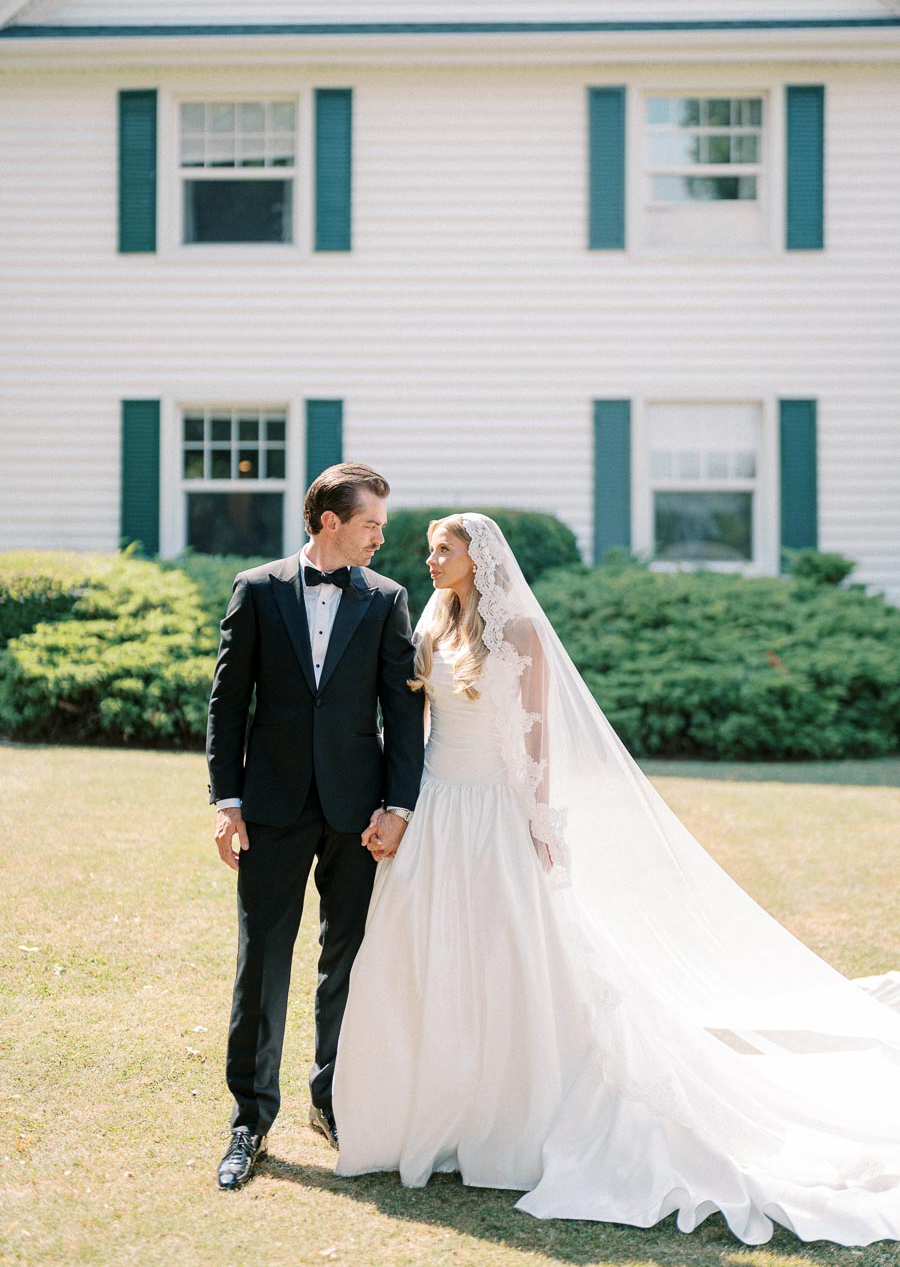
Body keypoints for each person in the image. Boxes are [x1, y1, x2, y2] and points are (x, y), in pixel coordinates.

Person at [333, 513, 900, 1247]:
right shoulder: (431, 623)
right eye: (432, 548)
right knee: (430, 957)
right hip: (439, 810)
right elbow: (407, 725)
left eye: (448, 549)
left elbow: (536, 738)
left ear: (482, 561)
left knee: (514, 960)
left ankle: (511, 1119)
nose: (433, 558)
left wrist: (541, 825)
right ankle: (432, 1112)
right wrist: (400, 808)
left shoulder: (522, 637)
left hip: (496, 815)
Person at [206, 463, 425, 1190]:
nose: (379, 539)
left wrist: (397, 809)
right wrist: (225, 800)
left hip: (356, 814)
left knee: (349, 961)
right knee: (261, 962)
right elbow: (228, 702)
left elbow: (402, 710)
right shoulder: (258, 589)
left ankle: (332, 1100)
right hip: (270, 805)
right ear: (330, 521)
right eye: (371, 525)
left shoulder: (387, 598)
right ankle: (250, 1120)